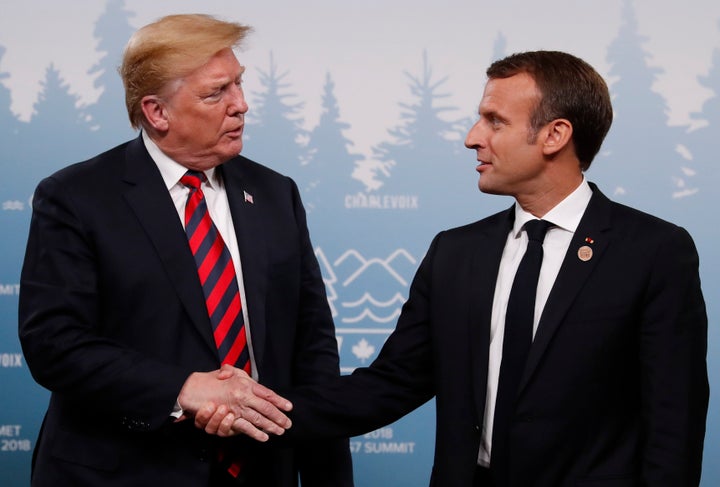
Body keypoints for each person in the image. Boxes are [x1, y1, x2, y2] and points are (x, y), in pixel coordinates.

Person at [199, 50, 709, 486]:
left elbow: (674, 425)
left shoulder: (655, 252)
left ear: (555, 135)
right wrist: (247, 409)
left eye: (495, 121)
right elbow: (387, 386)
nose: (472, 137)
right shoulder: (456, 254)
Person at [18, 13, 352, 487]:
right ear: (157, 112)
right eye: (217, 93)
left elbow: (312, 345)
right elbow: (54, 343)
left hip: (259, 469)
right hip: (124, 472)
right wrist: (182, 389)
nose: (242, 105)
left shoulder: (276, 193)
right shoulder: (76, 197)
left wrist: (328, 477)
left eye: (238, 84)